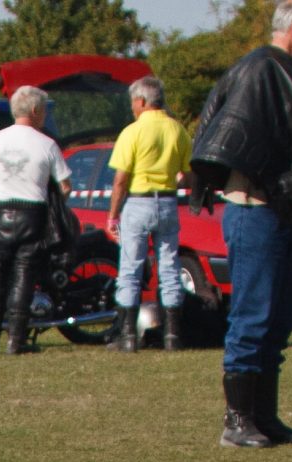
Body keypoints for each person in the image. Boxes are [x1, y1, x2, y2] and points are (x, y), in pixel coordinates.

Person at [189, 0, 292, 447]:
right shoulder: (261, 71)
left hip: (280, 210)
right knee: (253, 317)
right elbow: (236, 141)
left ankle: (264, 418)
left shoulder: (270, 75)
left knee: (277, 321)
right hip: (254, 210)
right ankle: (237, 422)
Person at [0, 84, 69, 356]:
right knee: (23, 276)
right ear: (35, 110)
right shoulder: (47, 143)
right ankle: (15, 341)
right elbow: (65, 186)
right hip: (33, 214)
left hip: (2, 212)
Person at [104, 76, 191, 353]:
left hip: (138, 202)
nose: (132, 108)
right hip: (166, 202)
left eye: (133, 103)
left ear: (141, 101)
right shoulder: (178, 130)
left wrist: (113, 215)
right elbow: (187, 175)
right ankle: (172, 335)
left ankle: (128, 335)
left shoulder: (132, 132)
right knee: (169, 267)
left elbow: (120, 179)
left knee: (130, 267)